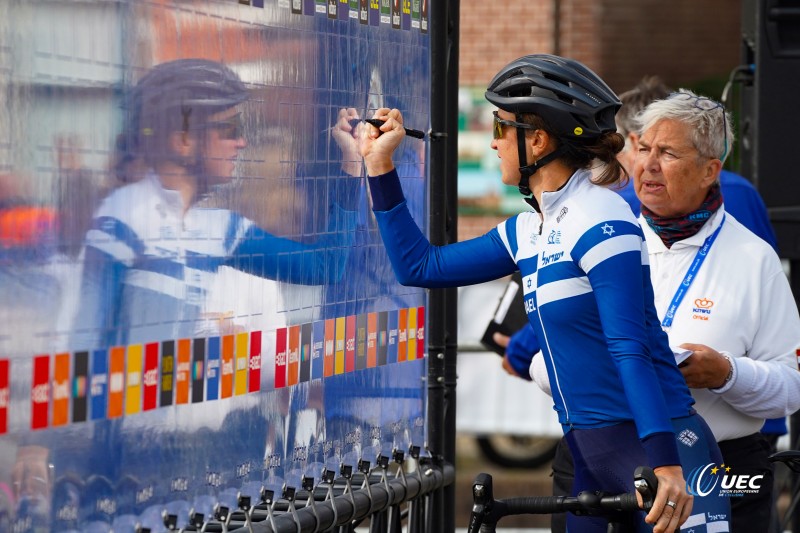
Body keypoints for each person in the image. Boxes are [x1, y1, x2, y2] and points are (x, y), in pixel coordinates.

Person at [360, 54, 730, 532]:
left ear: (537, 139)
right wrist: (380, 165)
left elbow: (628, 347)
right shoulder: (528, 230)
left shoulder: (603, 217)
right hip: (591, 456)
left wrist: (665, 464)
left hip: (664, 452)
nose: (493, 142)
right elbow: (419, 266)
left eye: (501, 126)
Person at [71, 59, 361, 350]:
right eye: (230, 129)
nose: (241, 142)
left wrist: (351, 163)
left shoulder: (218, 229)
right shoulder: (124, 220)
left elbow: (325, 267)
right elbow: (84, 343)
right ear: (183, 141)